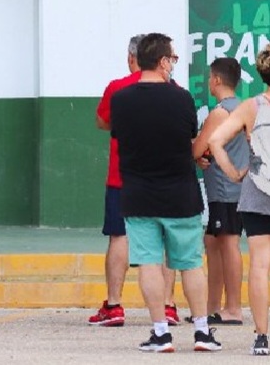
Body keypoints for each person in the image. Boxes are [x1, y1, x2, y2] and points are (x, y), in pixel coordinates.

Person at [110, 32, 220, 353]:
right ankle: (201, 332)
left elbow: (125, 139)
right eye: (172, 58)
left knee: (148, 264)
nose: (173, 64)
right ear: (161, 62)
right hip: (180, 194)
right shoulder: (182, 98)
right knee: (190, 264)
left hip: (138, 194)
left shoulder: (121, 99)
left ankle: (160, 333)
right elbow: (186, 141)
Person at [89, 34, 181, 328]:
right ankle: (168, 306)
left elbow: (102, 122)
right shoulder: (174, 89)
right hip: (165, 177)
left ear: (133, 58)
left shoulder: (117, 89)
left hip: (123, 175)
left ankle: (114, 305)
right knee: (166, 240)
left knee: (120, 237)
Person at [209, 44, 270, 355]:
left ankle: (262, 336)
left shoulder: (251, 106)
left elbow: (215, 141)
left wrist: (234, 173)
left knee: (260, 264)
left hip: (258, 189)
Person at [191, 57, 247, 325]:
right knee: (213, 242)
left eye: (209, 77)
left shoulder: (220, 113)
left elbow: (197, 148)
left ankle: (233, 308)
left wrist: (198, 152)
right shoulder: (243, 108)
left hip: (226, 190)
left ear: (216, 80)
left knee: (229, 243)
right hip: (228, 189)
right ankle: (212, 306)